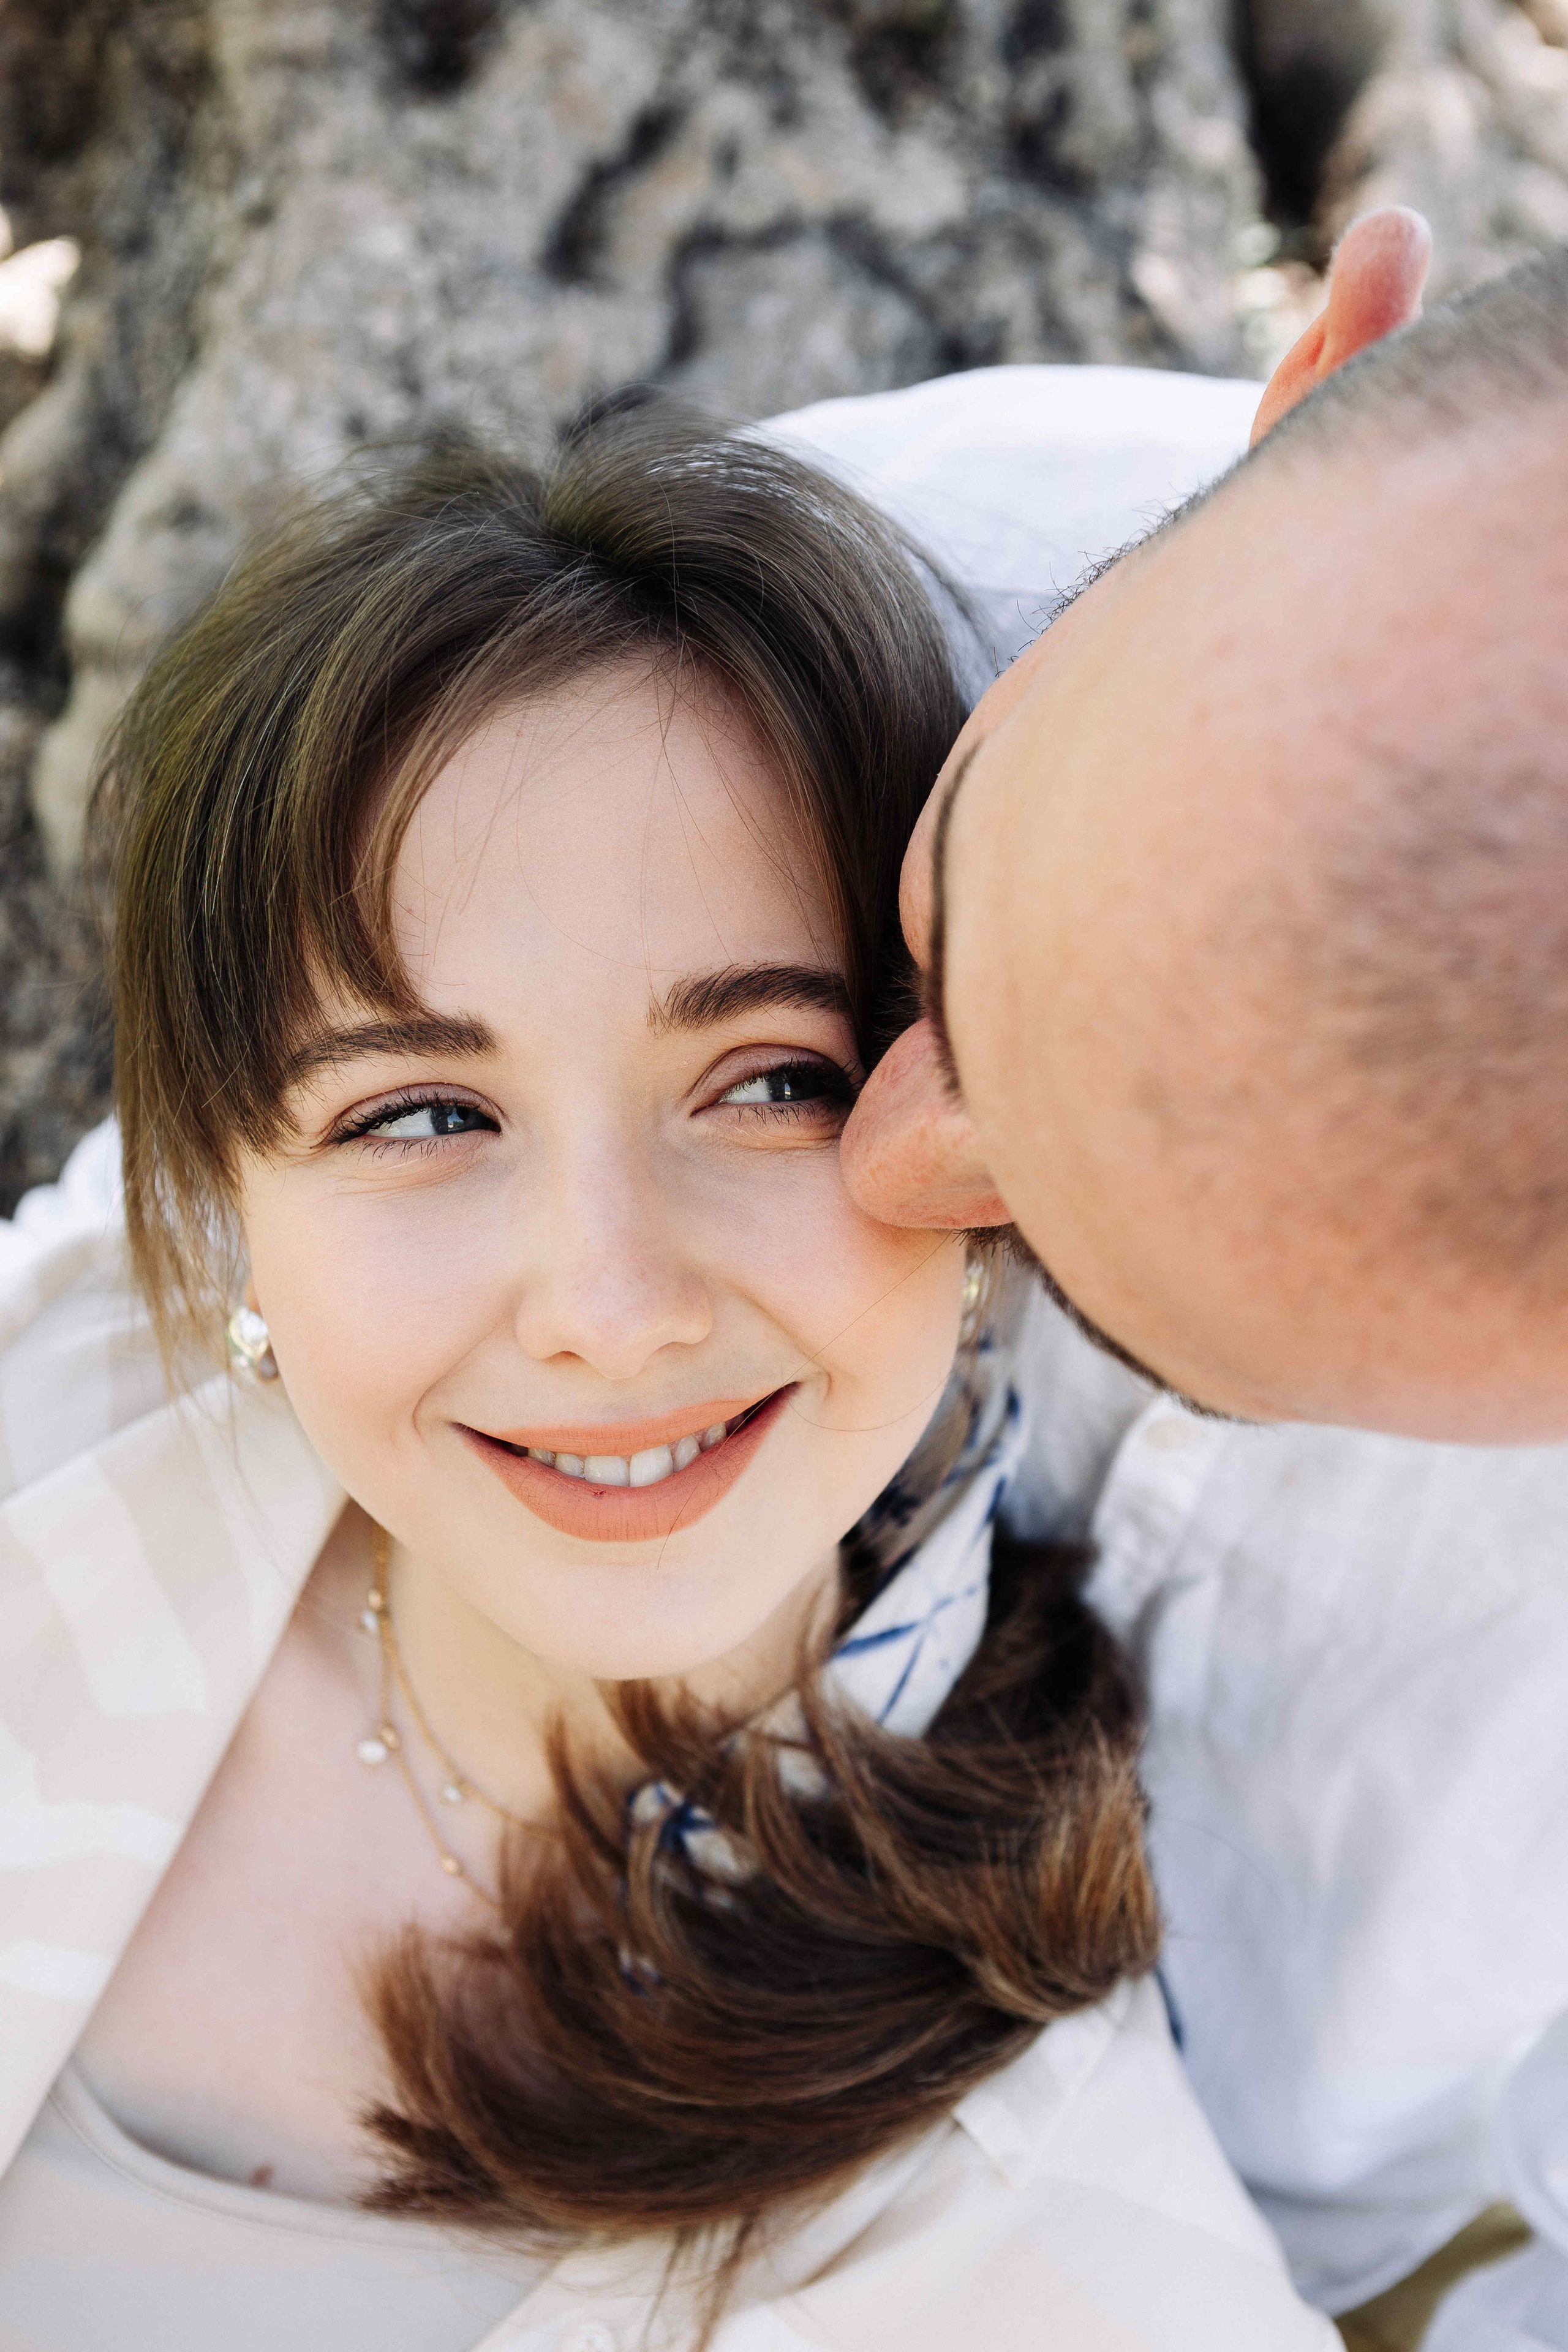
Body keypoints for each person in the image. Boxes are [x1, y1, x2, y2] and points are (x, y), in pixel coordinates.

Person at [0, 413, 1335, 2350]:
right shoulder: (58, 1450)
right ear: (226, 1194)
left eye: (773, 1081)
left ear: (969, 1135)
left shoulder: (1056, 2243)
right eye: (426, 1112)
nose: (610, 1312)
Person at [840, 211, 1568, 1446]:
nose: (870, 1172)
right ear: (1315, 377)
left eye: (1085, 1293)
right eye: (947, 913)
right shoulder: (857, 564)